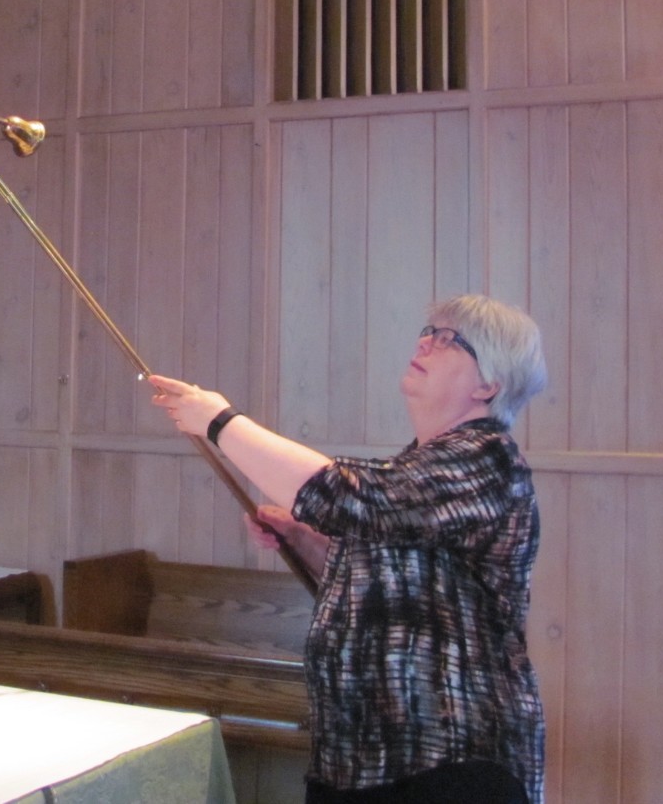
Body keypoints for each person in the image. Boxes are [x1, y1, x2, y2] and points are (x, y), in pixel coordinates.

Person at [150, 294, 548, 804]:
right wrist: (309, 543)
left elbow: (348, 496)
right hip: (359, 760)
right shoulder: (419, 465)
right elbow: (392, 590)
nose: (426, 340)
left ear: (489, 384)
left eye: (450, 339)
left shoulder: (486, 461)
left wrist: (220, 422)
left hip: (449, 763)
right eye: (429, 329)